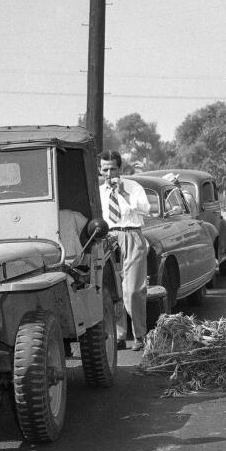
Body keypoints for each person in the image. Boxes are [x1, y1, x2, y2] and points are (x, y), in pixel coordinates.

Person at [99, 150, 154, 350]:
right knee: (114, 290)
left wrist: (122, 193)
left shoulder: (133, 187)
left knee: (133, 290)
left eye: (113, 168)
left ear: (119, 169)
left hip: (131, 235)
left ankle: (140, 334)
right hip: (108, 238)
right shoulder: (99, 192)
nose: (109, 173)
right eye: (105, 169)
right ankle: (119, 336)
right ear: (100, 170)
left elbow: (146, 209)